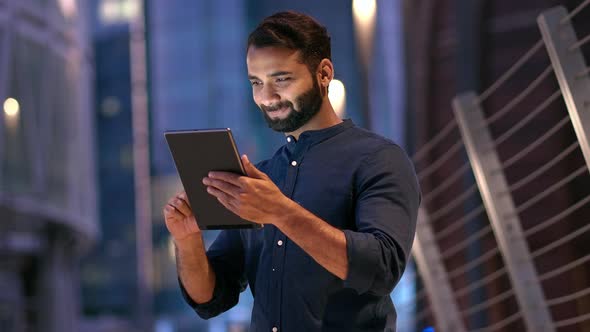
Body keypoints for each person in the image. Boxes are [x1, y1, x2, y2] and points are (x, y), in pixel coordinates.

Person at [163, 11, 421, 332]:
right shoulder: (260, 179)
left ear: (324, 73)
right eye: (256, 83)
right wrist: (187, 240)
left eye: (281, 79)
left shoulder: (378, 159)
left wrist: (280, 211)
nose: (266, 98)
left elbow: (382, 269)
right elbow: (212, 298)